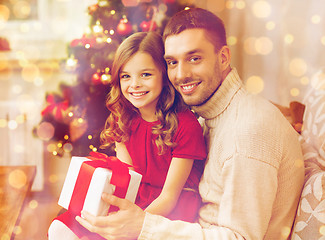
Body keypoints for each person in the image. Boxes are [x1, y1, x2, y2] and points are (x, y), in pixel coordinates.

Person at [76, 8, 305, 240]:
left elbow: (240, 237)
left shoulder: (247, 132)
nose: (181, 74)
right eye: (172, 62)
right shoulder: (206, 114)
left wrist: (142, 227)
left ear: (223, 57)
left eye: (194, 58)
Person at [48, 31, 206, 239]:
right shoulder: (123, 119)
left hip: (169, 209)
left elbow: (169, 197)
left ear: (164, 75)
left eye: (146, 74)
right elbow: (128, 182)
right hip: (135, 198)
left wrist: (131, 223)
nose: (134, 84)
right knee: (62, 228)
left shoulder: (186, 125)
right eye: (126, 76)